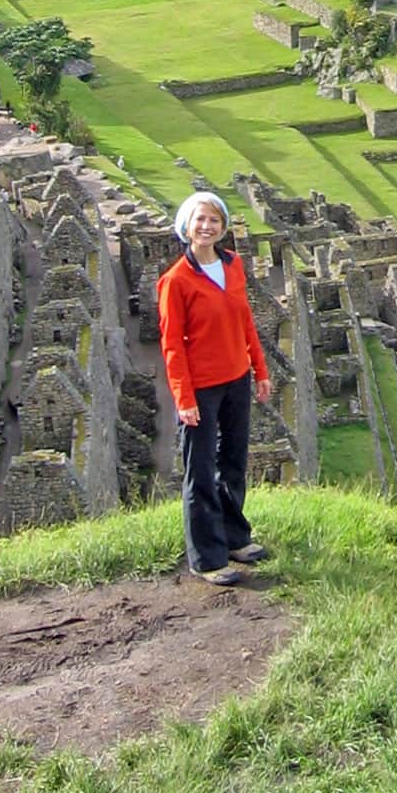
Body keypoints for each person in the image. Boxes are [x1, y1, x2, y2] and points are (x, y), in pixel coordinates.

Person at [158, 190, 272, 587]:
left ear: (222, 227)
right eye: (199, 220)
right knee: (201, 471)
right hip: (202, 387)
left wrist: (260, 369)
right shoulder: (175, 281)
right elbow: (172, 345)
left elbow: (244, 322)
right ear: (186, 227)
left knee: (234, 462)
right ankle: (206, 558)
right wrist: (184, 399)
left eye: (214, 220)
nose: (207, 227)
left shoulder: (233, 265)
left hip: (236, 378)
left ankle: (235, 538)